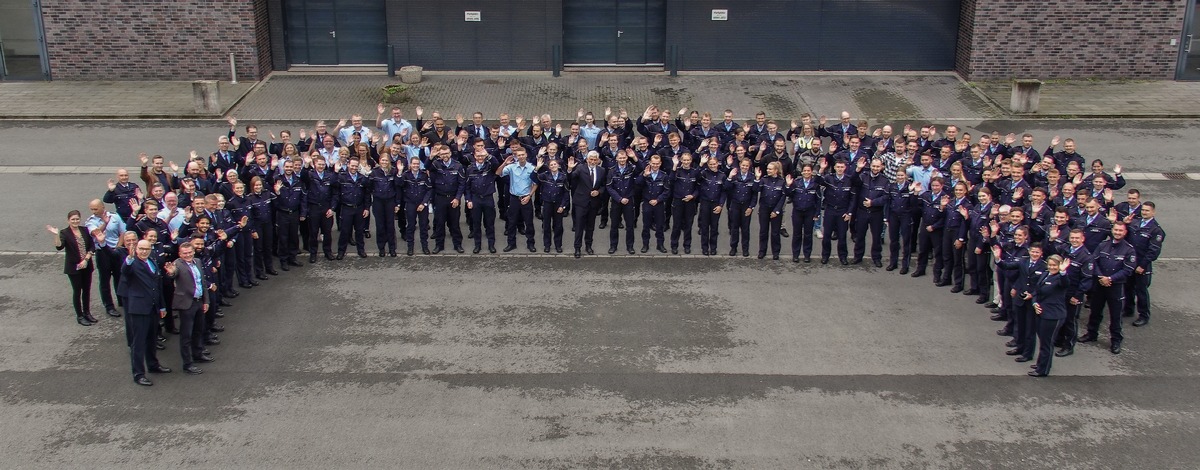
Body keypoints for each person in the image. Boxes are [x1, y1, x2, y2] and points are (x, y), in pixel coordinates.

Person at [1081, 222, 1137, 354]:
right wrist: (1101, 277)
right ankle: (1091, 334)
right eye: (1115, 230)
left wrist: (1110, 279)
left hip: (1116, 286)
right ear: (1112, 230)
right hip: (1100, 284)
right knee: (1095, 310)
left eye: (1120, 231)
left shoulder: (1129, 250)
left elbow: (1128, 269)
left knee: (1115, 315)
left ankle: (1116, 340)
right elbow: (1093, 262)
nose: (1117, 232)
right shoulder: (1102, 245)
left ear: (1125, 233)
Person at [122, 239, 171, 386]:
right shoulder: (132, 263)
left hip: (153, 307)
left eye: (147, 249)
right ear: (136, 249)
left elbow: (157, 285)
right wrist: (129, 258)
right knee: (139, 342)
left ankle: (153, 365)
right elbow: (125, 271)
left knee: (151, 339)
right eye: (141, 248)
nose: (144, 251)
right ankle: (138, 374)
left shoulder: (152, 262)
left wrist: (162, 306)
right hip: (139, 308)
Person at [167, 243, 212, 376]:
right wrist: (171, 273)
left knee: (198, 330)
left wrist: (206, 301)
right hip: (186, 304)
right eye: (184, 253)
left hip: (199, 301)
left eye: (189, 252)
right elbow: (173, 273)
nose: (187, 255)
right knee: (186, 335)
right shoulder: (178, 264)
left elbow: (202, 282)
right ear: (180, 254)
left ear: (193, 252)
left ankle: (198, 354)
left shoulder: (197, 261)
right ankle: (188, 364)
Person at [48, 211, 96, 326]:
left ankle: (87, 313)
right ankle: (80, 316)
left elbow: (92, 245)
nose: (75, 221)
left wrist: (86, 259)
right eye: (73, 219)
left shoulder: (84, 230)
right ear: (68, 220)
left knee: (87, 290)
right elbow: (59, 247)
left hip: (86, 265)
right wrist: (56, 234)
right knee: (77, 291)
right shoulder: (65, 233)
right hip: (74, 268)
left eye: (77, 219)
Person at [1030, 255, 1071, 377]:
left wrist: (1063, 271)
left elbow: (1065, 283)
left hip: (1053, 315)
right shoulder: (1045, 274)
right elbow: (1037, 291)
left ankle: (1043, 370)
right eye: (1050, 265)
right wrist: (1035, 303)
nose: (1052, 267)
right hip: (1041, 312)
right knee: (1042, 340)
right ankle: (1041, 363)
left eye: (1055, 265)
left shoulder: (1060, 278)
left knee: (1047, 343)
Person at [86, 198, 127, 317]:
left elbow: (122, 232)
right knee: (105, 280)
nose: (93, 211)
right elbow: (97, 234)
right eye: (92, 209)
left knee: (119, 276)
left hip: (116, 249)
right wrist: (105, 223)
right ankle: (109, 306)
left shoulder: (115, 216)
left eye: (96, 209)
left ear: (102, 207)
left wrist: (118, 247)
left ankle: (121, 299)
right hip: (102, 252)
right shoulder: (91, 221)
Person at [1125, 202, 1164, 327]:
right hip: (1130, 262)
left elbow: (1154, 251)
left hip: (1142, 264)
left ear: (1153, 212)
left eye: (1147, 211)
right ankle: (1128, 309)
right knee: (1128, 287)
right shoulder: (1135, 222)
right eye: (1143, 210)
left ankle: (1144, 315)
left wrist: (1143, 265)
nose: (1144, 212)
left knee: (1141, 291)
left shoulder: (1156, 230)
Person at [498, 147, 538, 252]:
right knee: (511, 222)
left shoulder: (532, 168)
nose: (520, 157)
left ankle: (530, 244)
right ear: (516, 156)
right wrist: (504, 163)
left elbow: (535, 184)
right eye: (518, 155)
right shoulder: (511, 167)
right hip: (514, 198)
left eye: (522, 154)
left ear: (526, 155)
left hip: (526, 198)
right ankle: (511, 244)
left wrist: (530, 196)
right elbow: (498, 173)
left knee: (529, 223)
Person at [429, 146, 466, 254]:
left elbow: (461, 184)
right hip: (440, 198)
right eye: (442, 154)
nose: (445, 156)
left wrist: (457, 198)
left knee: (454, 224)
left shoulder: (457, 166)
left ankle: (457, 245)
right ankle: (439, 245)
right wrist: (430, 158)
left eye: (447, 153)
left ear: (450, 153)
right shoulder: (436, 164)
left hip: (453, 199)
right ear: (439, 155)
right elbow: (427, 167)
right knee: (440, 224)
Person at [333, 158, 372, 258]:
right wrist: (335, 172)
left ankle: (361, 250)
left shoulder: (363, 178)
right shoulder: (341, 177)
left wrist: (367, 208)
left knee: (359, 231)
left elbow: (367, 195)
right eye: (352, 165)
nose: (354, 168)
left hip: (359, 208)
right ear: (348, 165)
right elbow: (334, 188)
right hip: (346, 208)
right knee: (344, 231)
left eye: (356, 166)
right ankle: (341, 251)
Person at [852, 158, 888, 266]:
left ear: (881, 167)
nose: (875, 168)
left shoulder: (885, 180)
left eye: (878, 166)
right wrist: (857, 169)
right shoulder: (863, 176)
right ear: (870, 166)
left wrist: (873, 202)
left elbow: (886, 197)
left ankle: (876, 258)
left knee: (877, 237)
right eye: (873, 166)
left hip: (876, 212)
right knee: (860, 236)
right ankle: (858, 256)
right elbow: (853, 182)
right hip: (862, 211)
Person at [817, 159, 853, 264]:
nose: (840, 169)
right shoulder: (829, 178)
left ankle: (843, 257)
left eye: (842, 167)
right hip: (830, 210)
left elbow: (852, 198)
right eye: (838, 167)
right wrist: (821, 169)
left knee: (842, 236)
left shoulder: (849, 180)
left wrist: (849, 212)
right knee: (827, 235)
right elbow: (818, 181)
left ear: (845, 168)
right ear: (835, 168)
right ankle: (825, 256)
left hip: (843, 211)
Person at [464, 148, 500, 254]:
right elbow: (467, 187)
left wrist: (488, 155)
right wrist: (468, 200)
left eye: (482, 156)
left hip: (488, 198)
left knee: (489, 223)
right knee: (476, 224)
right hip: (475, 199)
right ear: (475, 156)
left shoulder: (489, 166)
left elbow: (496, 165)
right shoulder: (470, 168)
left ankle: (491, 245)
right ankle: (477, 245)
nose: (480, 158)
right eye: (478, 156)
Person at [302, 156, 336, 262]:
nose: (321, 166)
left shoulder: (330, 175)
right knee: (313, 232)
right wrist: (306, 166)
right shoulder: (310, 174)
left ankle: (328, 252)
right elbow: (303, 177)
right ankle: (313, 253)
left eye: (323, 164)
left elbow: (335, 193)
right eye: (319, 164)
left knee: (327, 232)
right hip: (314, 207)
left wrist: (332, 208)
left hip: (326, 208)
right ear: (314, 164)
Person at [913, 178, 947, 278]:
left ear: (942, 186)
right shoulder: (926, 195)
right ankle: (920, 269)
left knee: (938, 253)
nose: (935, 188)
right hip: (925, 226)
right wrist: (915, 194)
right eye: (933, 185)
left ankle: (937, 274)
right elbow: (916, 207)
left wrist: (934, 226)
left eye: (937, 186)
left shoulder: (945, 198)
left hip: (937, 229)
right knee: (922, 250)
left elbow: (945, 217)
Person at [886, 171, 919, 273]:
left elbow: (914, 205)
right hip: (893, 216)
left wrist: (912, 193)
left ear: (905, 176)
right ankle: (893, 262)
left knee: (906, 241)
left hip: (906, 216)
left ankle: (905, 265)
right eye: (898, 175)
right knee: (894, 241)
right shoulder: (892, 186)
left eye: (902, 175)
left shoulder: (910, 187)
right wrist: (886, 217)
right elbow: (888, 202)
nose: (900, 177)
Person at [607, 150, 639, 255]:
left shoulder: (632, 168)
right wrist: (619, 198)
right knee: (614, 225)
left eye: (624, 158)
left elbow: (642, 170)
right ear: (616, 159)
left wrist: (634, 157)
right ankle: (613, 246)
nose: (622, 160)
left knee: (629, 226)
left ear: (626, 158)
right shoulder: (611, 171)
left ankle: (630, 246)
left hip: (629, 201)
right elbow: (609, 187)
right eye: (620, 158)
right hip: (617, 201)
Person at [637, 155, 671, 253]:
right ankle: (645, 245)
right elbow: (637, 184)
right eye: (653, 163)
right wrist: (644, 176)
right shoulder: (645, 173)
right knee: (646, 226)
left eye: (657, 164)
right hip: (647, 203)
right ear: (650, 163)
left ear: (660, 164)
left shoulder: (664, 175)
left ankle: (660, 245)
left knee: (660, 226)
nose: (655, 165)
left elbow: (667, 191)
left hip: (659, 204)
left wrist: (658, 199)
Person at [398, 157, 432, 255]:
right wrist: (399, 172)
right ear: (410, 164)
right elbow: (399, 184)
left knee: (424, 226)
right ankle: (410, 247)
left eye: (417, 164)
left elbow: (429, 190)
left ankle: (425, 246)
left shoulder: (424, 175)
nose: (416, 166)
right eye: (414, 164)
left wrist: (424, 203)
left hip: (422, 204)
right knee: (410, 226)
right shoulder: (405, 175)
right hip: (410, 204)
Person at [724, 158, 758, 257]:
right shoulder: (734, 175)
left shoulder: (752, 177)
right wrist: (729, 177)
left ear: (749, 167)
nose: (744, 167)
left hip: (746, 206)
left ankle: (745, 249)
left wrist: (751, 207)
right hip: (735, 205)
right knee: (734, 228)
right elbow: (726, 188)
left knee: (745, 229)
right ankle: (733, 248)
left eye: (747, 166)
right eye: (743, 165)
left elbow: (755, 193)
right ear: (740, 165)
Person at [668, 153, 700, 254]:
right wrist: (674, 166)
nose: (686, 162)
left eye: (688, 160)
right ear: (681, 161)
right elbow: (670, 181)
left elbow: (698, 188)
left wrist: (693, 196)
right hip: (678, 201)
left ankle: (687, 245)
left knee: (688, 225)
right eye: (684, 160)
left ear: (691, 161)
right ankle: (674, 245)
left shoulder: (694, 172)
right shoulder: (677, 171)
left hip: (690, 202)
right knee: (676, 225)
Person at [368, 155, 399, 257]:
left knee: (390, 225)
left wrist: (397, 203)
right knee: (380, 225)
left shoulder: (393, 171)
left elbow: (397, 187)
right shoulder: (374, 172)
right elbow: (368, 186)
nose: (385, 162)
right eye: (383, 160)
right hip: (378, 202)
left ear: (389, 162)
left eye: (386, 160)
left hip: (390, 201)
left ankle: (392, 248)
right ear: (379, 161)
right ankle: (381, 248)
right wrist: (367, 175)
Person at [696, 155, 727, 257]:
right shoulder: (704, 173)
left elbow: (724, 192)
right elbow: (696, 177)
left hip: (716, 203)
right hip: (705, 202)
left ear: (717, 164)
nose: (713, 166)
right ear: (708, 164)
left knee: (714, 227)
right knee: (704, 227)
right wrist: (700, 164)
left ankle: (713, 248)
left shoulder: (722, 175)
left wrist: (720, 205)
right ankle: (704, 248)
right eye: (710, 164)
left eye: (714, 164)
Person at [755, 162, 787, 260]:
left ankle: (776, 252)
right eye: (768, 169)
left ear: (776, 170)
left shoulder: (782, 182)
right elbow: (756, 189)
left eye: (770, 169)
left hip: (776, 210)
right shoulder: (764, 179)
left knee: (775, 233)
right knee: (763, 231)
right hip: (764, 209)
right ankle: (762, 251)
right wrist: (757, 179)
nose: (768, 170)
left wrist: (776, 210)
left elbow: (783, 197)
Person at [537, 159, 570, 252]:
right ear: (549, 167)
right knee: (546, 225)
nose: (553, 166)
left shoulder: (563, 177)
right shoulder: (545, 176)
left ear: (558, 165)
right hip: (547, 203)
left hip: (558, 204)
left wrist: (563, 206)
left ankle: (558, 245)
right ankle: (547, 245)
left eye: (555, 164)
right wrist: (537, 168)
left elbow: (566, 193)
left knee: (558, 226)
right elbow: (534, 177)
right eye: (551, 165)